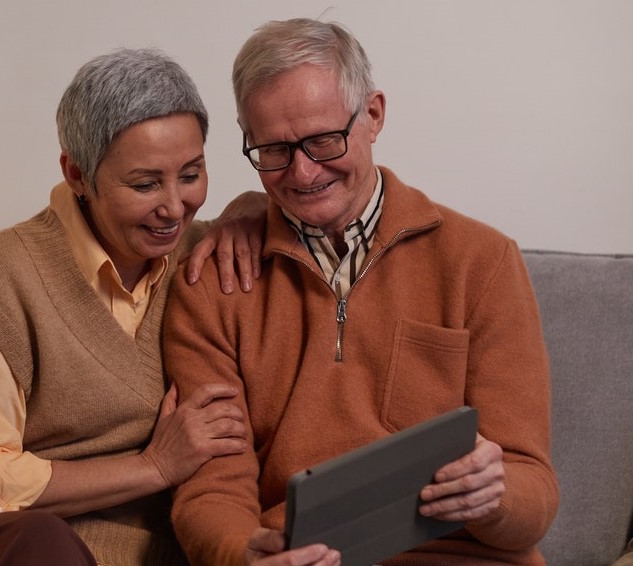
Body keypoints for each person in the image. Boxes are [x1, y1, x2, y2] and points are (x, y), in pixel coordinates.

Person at [164, 18, 559, 566]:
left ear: (373, 115)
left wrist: (496, 495)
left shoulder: (482, 261)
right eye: (274, 149)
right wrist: (240, 552)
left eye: (324, 141)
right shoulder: (213, 282)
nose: (303, 173)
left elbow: (533, 488)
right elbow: (212, 486)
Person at [0, 47, 267, 566]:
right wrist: (154, 467)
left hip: (132, 552)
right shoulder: (6, 273)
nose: (174, 206)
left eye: (191, 175)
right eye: (145, 184)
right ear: (77, 174)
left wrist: (259, 210)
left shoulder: (209, 258)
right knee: (41, 544)